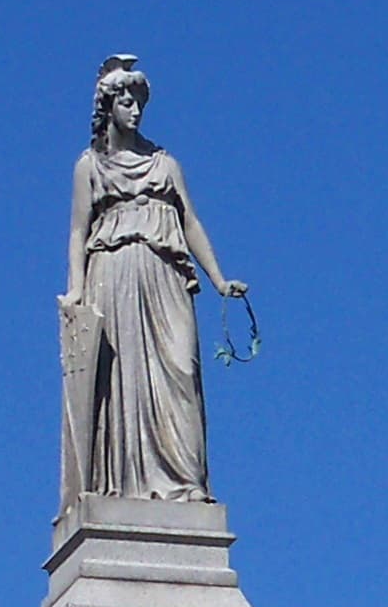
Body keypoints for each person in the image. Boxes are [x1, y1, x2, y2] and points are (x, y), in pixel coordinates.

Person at [61, 56, 248, 505]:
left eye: (139, 101)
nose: (135, 109)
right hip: (114, 271)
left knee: (181, 371)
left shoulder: (166, 164)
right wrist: (77, 289)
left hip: (165, 275)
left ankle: (187, 483)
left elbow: (191, 222)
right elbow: (77, 231)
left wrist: (219, 279)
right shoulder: (90, 166)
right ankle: (128, 486)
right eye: (126, 101)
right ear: (109, 107)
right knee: (121, 381)